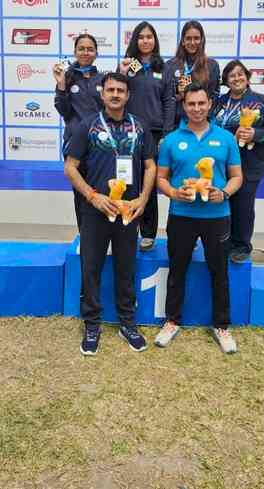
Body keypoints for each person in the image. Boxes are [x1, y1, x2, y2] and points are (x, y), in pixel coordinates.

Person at [64, 72, 156, 356]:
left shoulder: (139, 127)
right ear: (102, 94)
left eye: (121, 90)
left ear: (128, 96)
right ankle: (92, 324)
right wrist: (92, 196)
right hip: (96, 209)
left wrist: (142, 198)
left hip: (128, 210)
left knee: (126, 267)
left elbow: (151, 166)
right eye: (111, 90)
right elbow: (70, 166)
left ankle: (128, 322)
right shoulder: (87, 125)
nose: (116, 94)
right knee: (91, 267)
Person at [155, 83, 243, 354]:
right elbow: (160, 178)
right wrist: (172, 192)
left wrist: (225, 193)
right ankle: (172, 321)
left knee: (219, 271)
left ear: (209, 105)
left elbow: (237, 176)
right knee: (177, 269)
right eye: (191, 104)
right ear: (184, 106)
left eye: (201, 103)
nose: (196, 109)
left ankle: (222, 326)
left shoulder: (226, 138)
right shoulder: (171, 139)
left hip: (218, 216)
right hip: (182, 215)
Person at [213, 59, 264, 263]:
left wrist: (255, 134)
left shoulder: (262, 102)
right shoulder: (219, 103)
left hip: (249, 164)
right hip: (222, 164)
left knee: (242, 206)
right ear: (226, 80)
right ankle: (223, 242)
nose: (237, 78)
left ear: (247, 77)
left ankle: (241, 245)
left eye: (240, 74)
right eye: (232, 75)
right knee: (222, 203)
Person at [119, 21, 175, 251]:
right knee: (127, 181)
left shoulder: (164, 67)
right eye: (141, 37)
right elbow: (117, 92)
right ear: (135, 41)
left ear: (155, 41)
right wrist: (121, 74)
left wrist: (166, 134)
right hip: (129, 130)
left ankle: (148, 232)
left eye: (149, 37)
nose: (145, 40)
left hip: (153, 132)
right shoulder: (128, 65)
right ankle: (126, 226)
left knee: (148, 186)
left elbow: (169, 101)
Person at [53, 33, 103, 228]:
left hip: (100, 144)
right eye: (81, 48)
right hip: (76, 144)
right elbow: (63, 110)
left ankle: (102, 234)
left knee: (102, 190)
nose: (85, 52)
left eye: (90, 49)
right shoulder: (67, 77)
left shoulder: (103, 79)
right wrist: (61, 84)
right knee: (81, 193)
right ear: (75, 52)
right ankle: (85, 234)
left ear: (96, 53)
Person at [165, 20, 220, 127]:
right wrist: (178, 96)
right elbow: (166, 99)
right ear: (183, 41)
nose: (192, 42)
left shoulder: (212, 65)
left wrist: (204, 120)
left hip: (202, 124)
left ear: (202, 40)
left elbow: (214, 97)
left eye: (196, 38)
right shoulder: (170, 65)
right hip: (176, 124)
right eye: (188, 38)